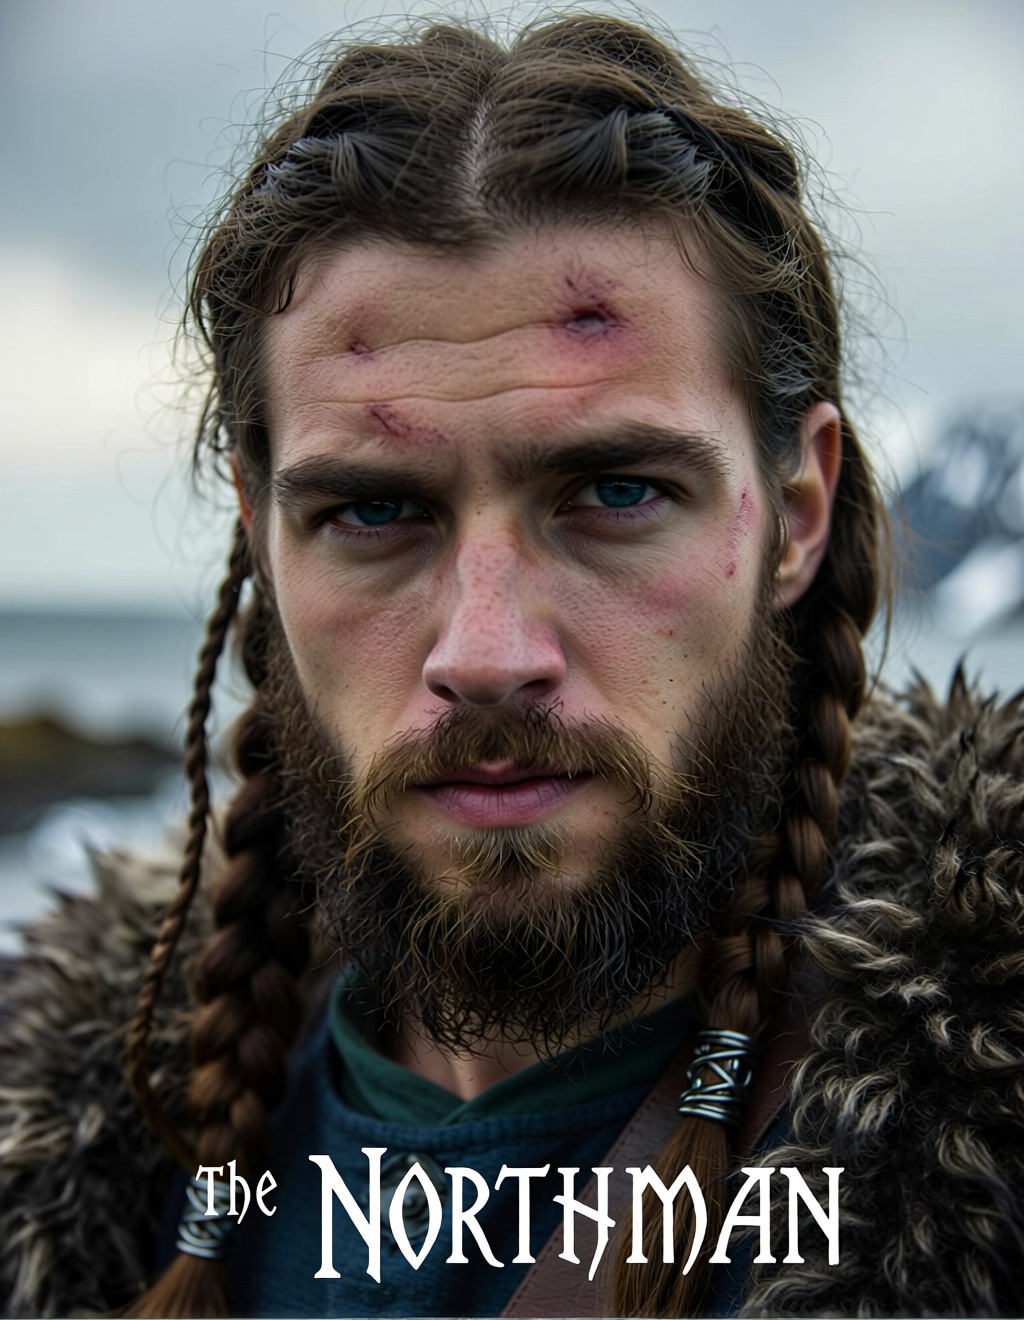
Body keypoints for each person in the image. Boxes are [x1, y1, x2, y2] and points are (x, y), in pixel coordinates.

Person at [2, 13, 1022, 1319]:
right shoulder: (95, 1150)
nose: (487, 656)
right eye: (373, 513)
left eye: (613, 491)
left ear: (797, 511)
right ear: (259, 531)